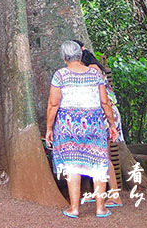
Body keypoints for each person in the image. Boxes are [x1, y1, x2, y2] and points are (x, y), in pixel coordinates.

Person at [46, 40, 118, 219]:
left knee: (72, 166)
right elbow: (105, 102)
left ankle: (74, 208)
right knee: (99, 164)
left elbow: (53, 104)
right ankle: (101, 208)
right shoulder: (94, 75)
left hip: (68, 125)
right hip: (94, 123)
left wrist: (49, 128)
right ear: (80, 55)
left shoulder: (60, 76)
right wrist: (111, 125)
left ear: (64, 58)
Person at [81, 48, 124, 208]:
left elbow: (100, 97)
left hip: (105, 115)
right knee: (98, 155)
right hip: (104, 114)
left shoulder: (92, 69)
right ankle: (100, 192)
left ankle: (115, 195)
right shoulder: (96, 68)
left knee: (103, 157)